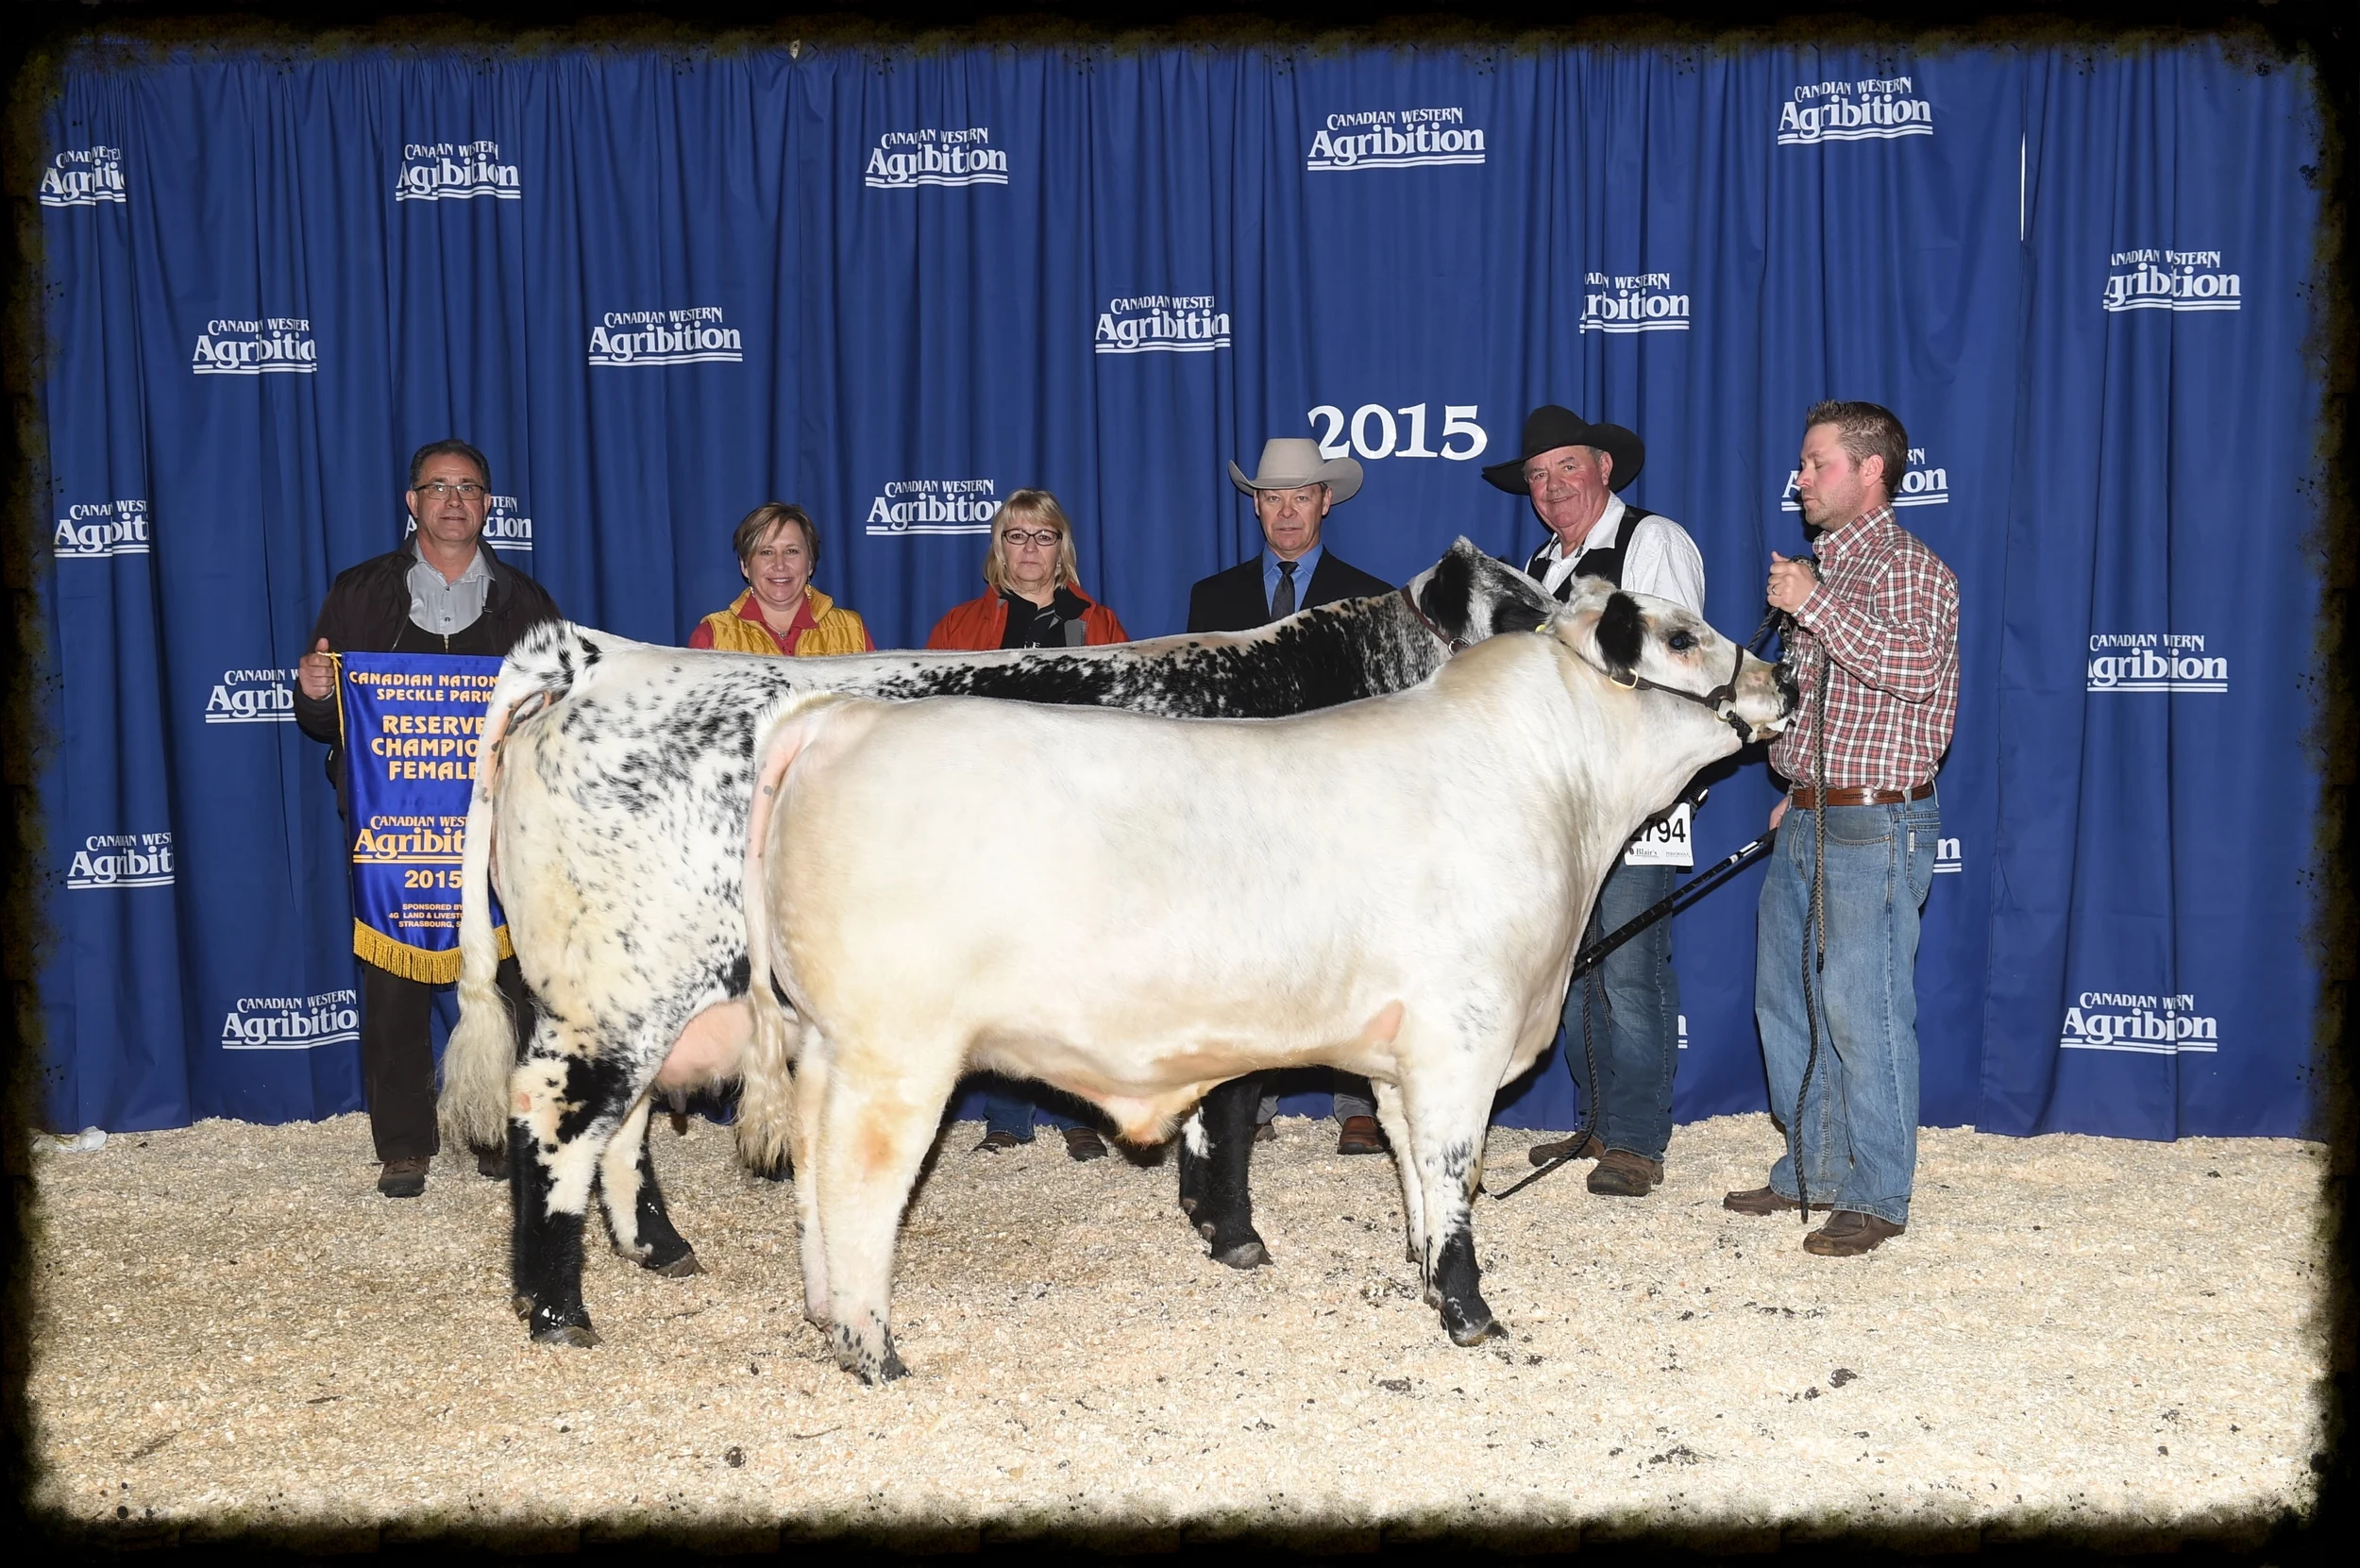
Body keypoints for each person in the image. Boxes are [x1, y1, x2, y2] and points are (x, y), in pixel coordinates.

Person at [295, 438, 561, 1199]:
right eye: (437, 487)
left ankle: (499, 1135)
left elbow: (557, 714)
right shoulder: (359, 593)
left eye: (470, 488)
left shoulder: (528, 601)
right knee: (392, 994)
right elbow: (325, 716)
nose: (453, 500)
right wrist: (315, 690)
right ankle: (405, 1143)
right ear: (411, 502)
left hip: (496, 831)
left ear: (488, 505)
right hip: (394, 832)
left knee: (507, 986)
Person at [1725, 400, 1958, 1256]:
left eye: (1819, 463)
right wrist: (1797, 776)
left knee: (1865, 1010)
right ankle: (1814, 1168)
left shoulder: (1907, 567)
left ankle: (1878, 1190)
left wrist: (1815, 602)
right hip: (1815, 813)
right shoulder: (1822, 573)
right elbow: (1825, 704)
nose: (1802, 479)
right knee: (1787, 1002)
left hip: (1877, 825)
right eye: (1802, 463)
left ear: (1870, 471)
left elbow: (1913, 671)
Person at [1485, 406, 1706, 1200]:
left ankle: (1639, 1138)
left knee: (1632, 968)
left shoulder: (1654, 541)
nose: (1551, 488)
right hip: (1559, 802)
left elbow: (1678, 663)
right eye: (1538, 478)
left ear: (1605, 468)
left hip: (1635, 793)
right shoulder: (1542, 565)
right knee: (1575, 968)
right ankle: (1599, 1121)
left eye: (1566, 468)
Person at [1187, 437, 1391, 1155]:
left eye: (1299, 495)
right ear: (1256, 506)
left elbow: (1380, 709)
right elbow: (1199, 707)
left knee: (1348, 944)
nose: (1285, 511)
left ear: (1325, 500)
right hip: (1244, 803)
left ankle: (1357, 1096)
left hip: (1337, 802)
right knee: (1252, 950)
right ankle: (1254, 1095)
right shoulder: (1211, 598)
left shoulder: (1371, 597)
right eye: (1271, 497)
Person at [926, 489, 1125, 1160]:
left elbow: (1127, 722)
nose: (1030, 550)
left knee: (1072, 962)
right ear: (998, 547)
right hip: (993, 817)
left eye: (1043, 537)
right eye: (1017, 536)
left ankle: (1076, 1109)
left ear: (1061, 548)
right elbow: (936, 724)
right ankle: (1007, 1112)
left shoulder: (1097, 622)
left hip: (1076, 814)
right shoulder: (958, 627)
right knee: (997, 961)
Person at [689, 502, 873, 654]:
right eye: (766, 552)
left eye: (791, 551)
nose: (779, 564)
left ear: (810, 563)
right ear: (745, 566)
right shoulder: (712, 637)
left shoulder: (852, 631)